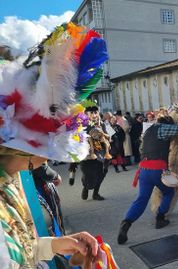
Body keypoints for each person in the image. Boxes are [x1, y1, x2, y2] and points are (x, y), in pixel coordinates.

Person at [0, 22, 108, 267]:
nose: (47, 161)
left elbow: (22, 247)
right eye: (43, 151)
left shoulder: (10, 180)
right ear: (18, 150)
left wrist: (58, 244)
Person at [117, 116, 178, 244]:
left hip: (144, 170)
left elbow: (142, 150)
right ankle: (160, 218)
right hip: (158, 170)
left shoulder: (147, 131)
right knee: (169, 192)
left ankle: (126, 223)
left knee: (141, 199)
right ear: (167, 123)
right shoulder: (163, 128)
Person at [79, 100, 110, 201]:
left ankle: (96, 193)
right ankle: (86, 187)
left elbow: (109, 137)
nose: (94, 114)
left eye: (96, 112)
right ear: (86, 114)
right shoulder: (81, 125)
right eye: (91, 112)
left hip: (101, 154)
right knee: (88, 174)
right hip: (87, 155)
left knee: (101, 174)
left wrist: (103, 135)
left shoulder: (103, 124)